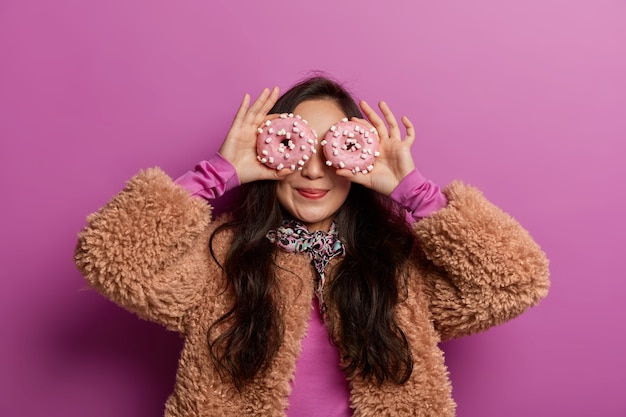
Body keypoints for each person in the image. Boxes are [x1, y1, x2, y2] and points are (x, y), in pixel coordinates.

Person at [74, 75, 550, 417]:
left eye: (334, 150)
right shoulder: (221, 256)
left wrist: (415, 192)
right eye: (297, 146)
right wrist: (217, 173)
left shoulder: (399, 264)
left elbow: (514, 281)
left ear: (358, 158)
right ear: (269, 149)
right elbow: (111, 257)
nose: (315, 171)